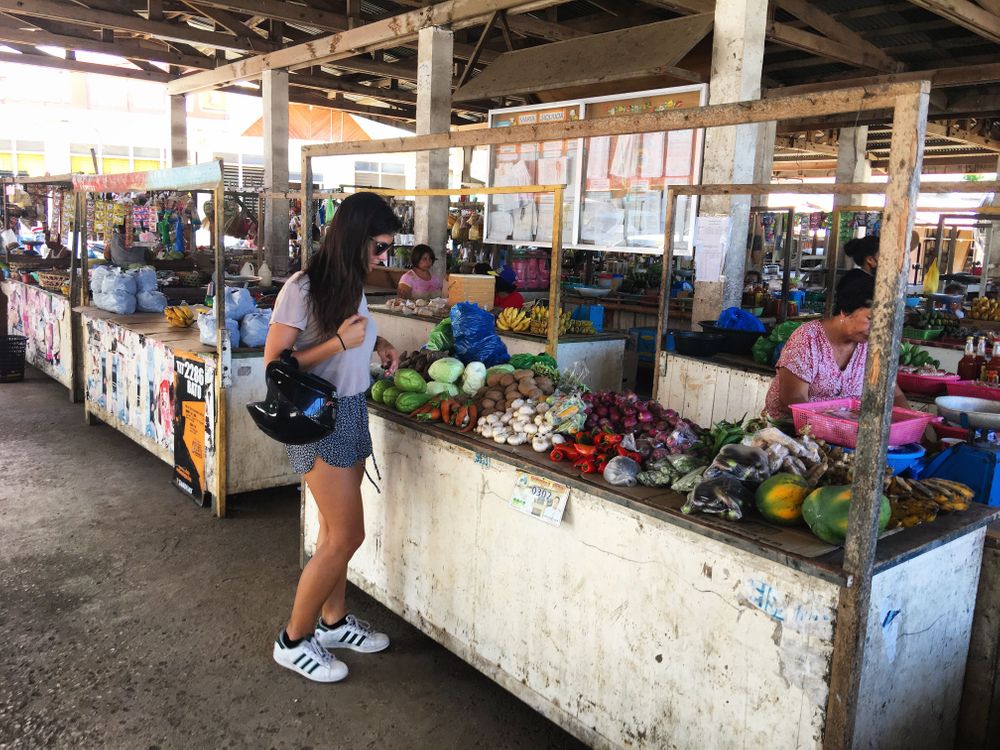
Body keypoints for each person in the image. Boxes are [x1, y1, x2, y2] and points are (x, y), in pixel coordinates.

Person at [264, 191, 402, 683]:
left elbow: (354, 340)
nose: (383, 257)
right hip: (315, 418)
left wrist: (377, 343)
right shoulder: (302, 288)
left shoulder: (352, 284)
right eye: (379, 246)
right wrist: (338, 343)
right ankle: (293, 640)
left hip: (350, 411)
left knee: (331, 533)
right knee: (347, 534)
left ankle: (334, 622)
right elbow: (275, 365)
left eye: (388, 248)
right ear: (355, 237)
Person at [764, 271, 908, 421]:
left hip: (844, 431)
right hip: (789, 430)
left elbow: (894, 395)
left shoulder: (872, 346)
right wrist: (832, 427)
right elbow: (793, 399)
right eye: (871, 319)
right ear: (846, 311)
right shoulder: (807, 338)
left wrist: (911, 428)